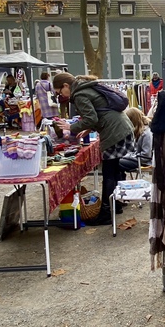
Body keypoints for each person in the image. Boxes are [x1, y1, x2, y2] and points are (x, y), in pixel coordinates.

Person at [52, 73, 134, 226]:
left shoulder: (79, 94)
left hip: (114, 131)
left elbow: (92, 117)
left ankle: (106, 213)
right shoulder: (85, 87)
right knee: (115, 170)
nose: (60, 95)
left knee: (109, 172)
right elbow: (100, 111)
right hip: (121, 127)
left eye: (59, 92)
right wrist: (90, 128)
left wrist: (72, 127)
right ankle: (115, 206)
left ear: (65, 86)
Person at [119, 107, 153, 176]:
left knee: (117, 163)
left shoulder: (146, 133)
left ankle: (119, 182)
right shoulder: (140, 131)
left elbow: (146, 155)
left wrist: (129, 156)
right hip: (138, 158)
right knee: (117, 162)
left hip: (144, 161)